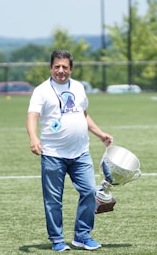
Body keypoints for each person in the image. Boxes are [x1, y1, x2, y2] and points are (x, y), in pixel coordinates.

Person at [26, 50, 113, 251]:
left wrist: (100, 133)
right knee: (53, 200)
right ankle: (57, 239)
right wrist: (33, 138)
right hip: (53, 154)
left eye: (65, 67)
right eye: (57, 66)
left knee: (90, 191)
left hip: (81, 153)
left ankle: (82, 236)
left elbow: (83, 114)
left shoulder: (79, 87)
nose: (61, 71)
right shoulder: (42, 90)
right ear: (50, 68)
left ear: (71, 69)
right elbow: (32, 116)